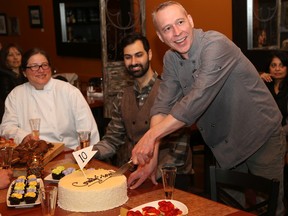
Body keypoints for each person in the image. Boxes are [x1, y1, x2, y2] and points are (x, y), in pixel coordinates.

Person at [130, 1, 286, 215]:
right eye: (167, 28)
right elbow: (162, 105)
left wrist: (150, 137)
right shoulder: (171, 59)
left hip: (260, 135)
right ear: (160, 36)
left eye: (180, 22)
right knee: (229, 209)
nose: (177, 32)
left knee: (268, 207)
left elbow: (197, 99)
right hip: (224, 144)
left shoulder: (215, 44)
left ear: (191, 20)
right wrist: (152, 154)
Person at [93, 32, 193, 189]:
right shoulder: (122, 96)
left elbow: (180, 146)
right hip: (134, 173)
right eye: (128, 57)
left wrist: (154, 172)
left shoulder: (170, 90)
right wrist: (88, 153)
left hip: (169, 177)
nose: (133, 62)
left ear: (150, 54)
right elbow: (112, 140)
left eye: (139, 55)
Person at [0, 48, 100, 149]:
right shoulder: (16, 95)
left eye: (44, 65)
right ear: (24, 72)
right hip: (31, 152)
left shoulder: (69, 91)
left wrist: (85, 151)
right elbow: (6, 127)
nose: (41, 70)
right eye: (34, 66)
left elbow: (87, 128)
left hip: (67, 152)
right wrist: (23, 136)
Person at [260, 51, 288, 204]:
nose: (277, 69)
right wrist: (257, 79)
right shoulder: (264, 86)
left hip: (283, 133)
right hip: (265, 135)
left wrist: (280, 133)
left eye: (282, 65)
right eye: (274, 65)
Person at [0, 43, 27, 121]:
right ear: (5, 59)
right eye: (10, 55)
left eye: (18, 54)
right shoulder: (3, 77)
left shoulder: (25, 73)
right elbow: (8, 99)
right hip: (12, 115)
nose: (15, 58)